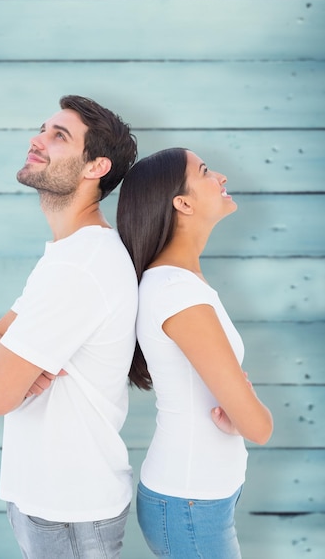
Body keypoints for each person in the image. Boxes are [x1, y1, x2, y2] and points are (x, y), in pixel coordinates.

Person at [0, 95, 139, 559]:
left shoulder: (80, 267)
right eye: (43, 129)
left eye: (59, 135)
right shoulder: (71, 255)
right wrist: (6, 366)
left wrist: (7, 372)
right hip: (51, 503)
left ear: (96, 167)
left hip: (68, 512)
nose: (37, 139)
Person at [116, 147, 273, 558]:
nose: (221, 176)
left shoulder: (178, 283)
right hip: (190, 504)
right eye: (205, 171)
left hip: (196, 498)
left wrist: (242, 412)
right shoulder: (178, 294)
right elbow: (260, 427)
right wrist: (247, 414)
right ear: (181, 203)